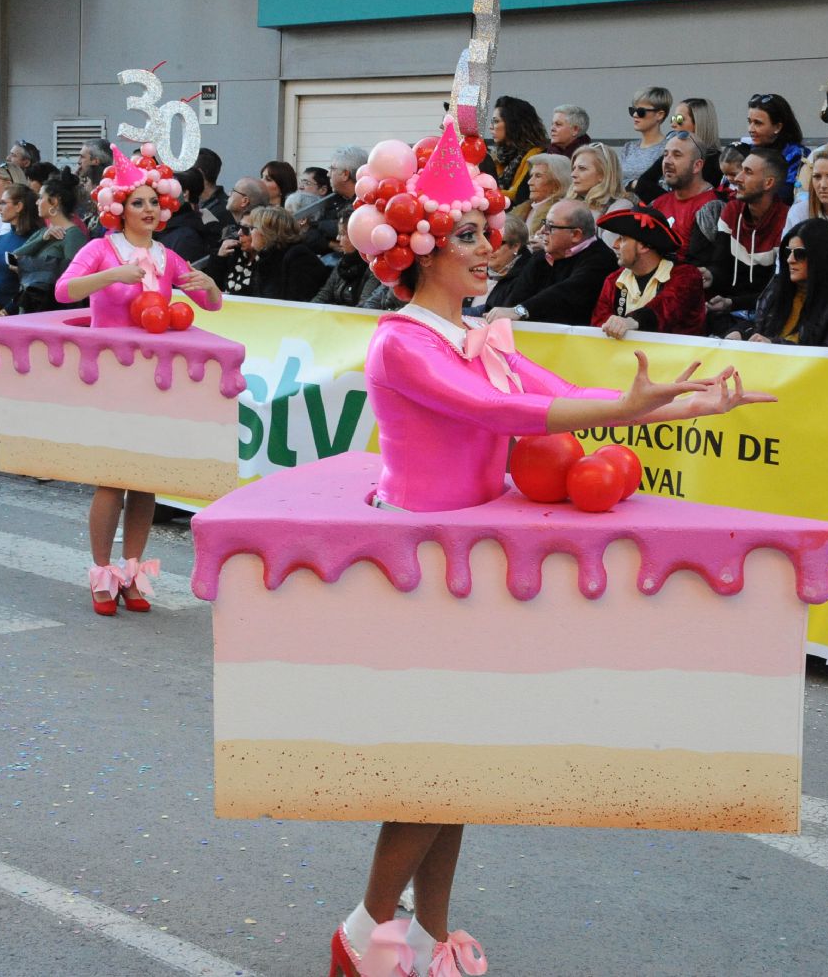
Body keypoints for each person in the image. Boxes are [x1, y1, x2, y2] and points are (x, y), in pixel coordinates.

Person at [332, 119, 775, 977]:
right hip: (419, 564)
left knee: (466, 766)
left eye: (487, 232)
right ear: (419, 248)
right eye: (467, 235)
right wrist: (627, 406)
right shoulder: (402, 344)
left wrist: (681, 405)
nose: (490, 248)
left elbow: (568, 391)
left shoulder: (481, 334)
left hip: (476, 560)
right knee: (434, 763)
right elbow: (507, 415)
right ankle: (364, 931)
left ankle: (425, 932)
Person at [54, 144, 223, 615]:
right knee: (112, 480)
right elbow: (64, 290)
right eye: (138, 203)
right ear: (118, 209)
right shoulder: (99, 249)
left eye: (154, 202)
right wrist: (110, 275)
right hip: (110, 374)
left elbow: (209, 304)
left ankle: (131, 572)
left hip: (155, 376)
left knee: (146, 480)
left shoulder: (168, 257)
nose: (149, 210)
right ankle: (102, 573)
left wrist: (210, 289)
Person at [483, 199, 617, 326]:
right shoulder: (542, 258)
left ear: (576, 234)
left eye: (550, 227)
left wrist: (520, 311)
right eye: (544, 223)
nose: (542, 231)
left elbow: (565, 294)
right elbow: (513, 302)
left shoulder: (601, 260)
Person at [734, 219, 828, 347]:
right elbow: (759, 329)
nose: (790, 260)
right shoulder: (778, 286)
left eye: (800, 254)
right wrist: (739, 333)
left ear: (821, 257)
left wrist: (774, 346)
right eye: (787, 252)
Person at [707, 146, 791, 332]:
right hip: (726, 312)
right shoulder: (732, 210)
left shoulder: (787, 221)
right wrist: (709, 275)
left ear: (768, 183)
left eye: (748, 172)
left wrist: (732, 303)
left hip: (765, 317)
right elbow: (720, 266)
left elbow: (777, 291)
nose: (737, 178)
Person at [590, 204, 705, 338]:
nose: (615, 245)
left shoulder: (686, 275)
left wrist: (631, 321)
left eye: (622, 239)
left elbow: (665, 308)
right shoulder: (613, 280)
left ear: (644, 246)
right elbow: (599, 324)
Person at [11, 171, 88, 311]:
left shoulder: (73, 236)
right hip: (31, 307)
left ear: (54, 201)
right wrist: (43, 239)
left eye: (41, 197)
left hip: (51, 310)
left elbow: (74, 279)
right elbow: (12, 258)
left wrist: (28, 267)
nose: (37, 202)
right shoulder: (43, 232)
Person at [636, 97, 724, 202]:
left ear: (698, 123)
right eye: (673, 119)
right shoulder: (670, 154)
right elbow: (643, 183)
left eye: (679, 119)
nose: (673, 124)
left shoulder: (716, 162)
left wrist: (670, 203)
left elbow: (698, 200)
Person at [650, 132, 721, 262]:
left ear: (697, 165)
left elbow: (699, 264)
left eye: (677, 155)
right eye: (665, 155)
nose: (667, 161)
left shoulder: (711, 206)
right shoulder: (658, 204)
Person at [245, 205, 330, 303]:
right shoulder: (266, 257)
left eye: (252, 228)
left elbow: (301, 302)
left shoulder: (298, 256)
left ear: (267, 231)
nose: (249, 233)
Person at [0, 183, 39, 312]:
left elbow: (33, 286)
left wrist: (8, 310)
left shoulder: (36, 240)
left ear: (19, 206)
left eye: (4, 203)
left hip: (16, 318)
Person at [312, 209, 388, 308]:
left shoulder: (373, 268)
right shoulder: (343, 263)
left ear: (357, 238)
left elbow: (365, 306)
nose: (338, 238)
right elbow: (324, 294)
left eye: (343, 234)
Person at [741, 93, 808, 203]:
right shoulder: (746, 151)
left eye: (758, 123)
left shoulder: (797, 154)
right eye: (749, 122)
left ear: (778, 127)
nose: (750, 129)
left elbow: (785, 194)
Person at [565, 143, 632, 247]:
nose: (573, 174)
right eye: (574, 168)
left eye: (582, 168)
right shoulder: (567, 207)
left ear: (603, 174)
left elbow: (610, 252)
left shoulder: (621, 207)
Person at [486, 95, 548, 205]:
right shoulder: (500, 156)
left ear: (513, 124)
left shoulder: (536, 156)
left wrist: (483, 193)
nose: (491, 127)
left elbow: (519, 195)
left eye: (496, 121)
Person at [473, 213, 531, 310]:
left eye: (497, 243)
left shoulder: (526, 276)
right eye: (487, 240)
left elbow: (493, 311)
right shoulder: (475, 267)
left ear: (515, 246)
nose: (489, 248)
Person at [621, 86, 672, 187]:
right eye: (632, 110)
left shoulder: (668, 148)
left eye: (641, 111)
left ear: (660, 115)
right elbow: (614, 182)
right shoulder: (628, 147)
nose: (635, 115)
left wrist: (632, 184)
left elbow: (665, 185)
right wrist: (634, 184)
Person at [512, 153, 572, 239]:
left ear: (557, 183)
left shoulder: (562, 214)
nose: (529, 182)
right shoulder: (525, 210)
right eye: (531, 176)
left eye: (538, 176)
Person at [321, 145, 367, 241]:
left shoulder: (365, 203)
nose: (328, 174)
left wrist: (316, 225)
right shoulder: (341, 200)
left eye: (332, 169)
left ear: (345, 174)